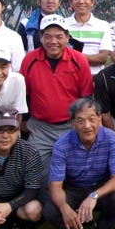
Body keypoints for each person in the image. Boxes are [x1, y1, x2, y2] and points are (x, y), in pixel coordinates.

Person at [42, 98, 115, 229]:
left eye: (91, 119)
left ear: (100, 119)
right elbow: (55, 185)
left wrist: (93, 196)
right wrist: (65, 208)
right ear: (73, 124)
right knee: (50, 209)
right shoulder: (62, 144)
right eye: (81, 121)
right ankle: (67, 228)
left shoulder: (111, 138)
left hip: (100, 187)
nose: (87, 126)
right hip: (73, 189)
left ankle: (103, 228)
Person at [20, 15, 94, 178]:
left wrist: (82, 125)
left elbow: (86, 97)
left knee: (75, 171)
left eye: (59, 36)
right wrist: (24, 119)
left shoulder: (79, 60)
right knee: (37, 172)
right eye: (48, 36)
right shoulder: (29, 60)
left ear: (67, 37)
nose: (53, 41)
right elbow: (24, 94)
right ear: (41, 37)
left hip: (71, 126)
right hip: (41, 128)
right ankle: (44, 203)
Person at [16, 0, 83, 53]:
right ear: (39, 1)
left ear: (59, 2)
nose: (50, 1)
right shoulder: (26, 24)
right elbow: (20, 53)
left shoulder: (66, 24)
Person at [65, 0, 113, 75]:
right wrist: (90, 58)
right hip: (67, 77)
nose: (81, 1)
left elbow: (102, 58)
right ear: (70, 2)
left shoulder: (103, 25)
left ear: (92, 2)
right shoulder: (62, 25)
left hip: (95, 78)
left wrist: (74, 57)